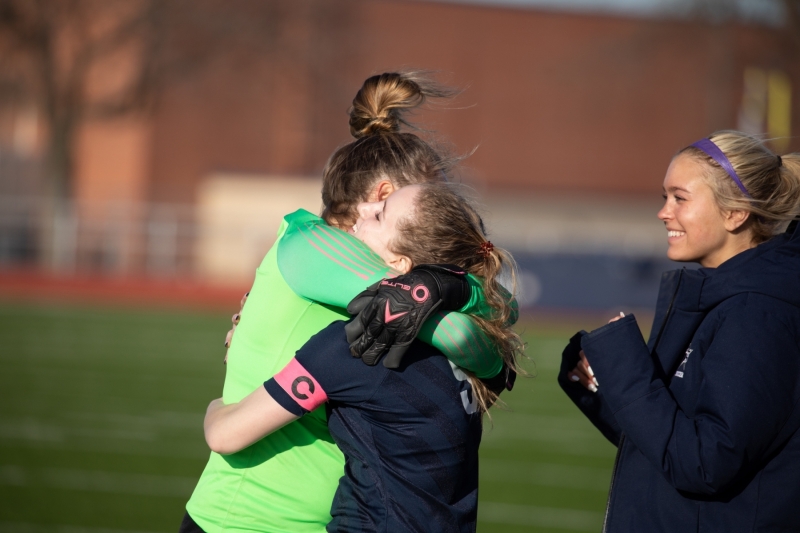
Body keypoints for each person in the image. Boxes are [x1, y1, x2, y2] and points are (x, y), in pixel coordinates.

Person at [181, 72, 511, 533]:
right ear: (383, 196)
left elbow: (496, 311)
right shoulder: (315, 248)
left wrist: (449, 288)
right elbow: (475, 329)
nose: (437, 213)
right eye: (429, 199)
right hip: (249, 519)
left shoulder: (353, 265)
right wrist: (451, 291)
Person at [204, 182, 522, 532]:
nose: (363, 211)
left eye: (380, 213)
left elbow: (225, 435)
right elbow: (498, 320)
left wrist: (220, 400)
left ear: (398, 262)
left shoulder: (356, 346)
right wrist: (452, 285)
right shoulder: (481, 350)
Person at [558, 131, 800, 532]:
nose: (664, 212)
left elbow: (706, 463)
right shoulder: (723, 298)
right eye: (664, 197)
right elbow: (667, 444)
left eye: (680, 198)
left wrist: (631, 374)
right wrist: (604, 385)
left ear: (735, 213)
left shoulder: (757, 313)